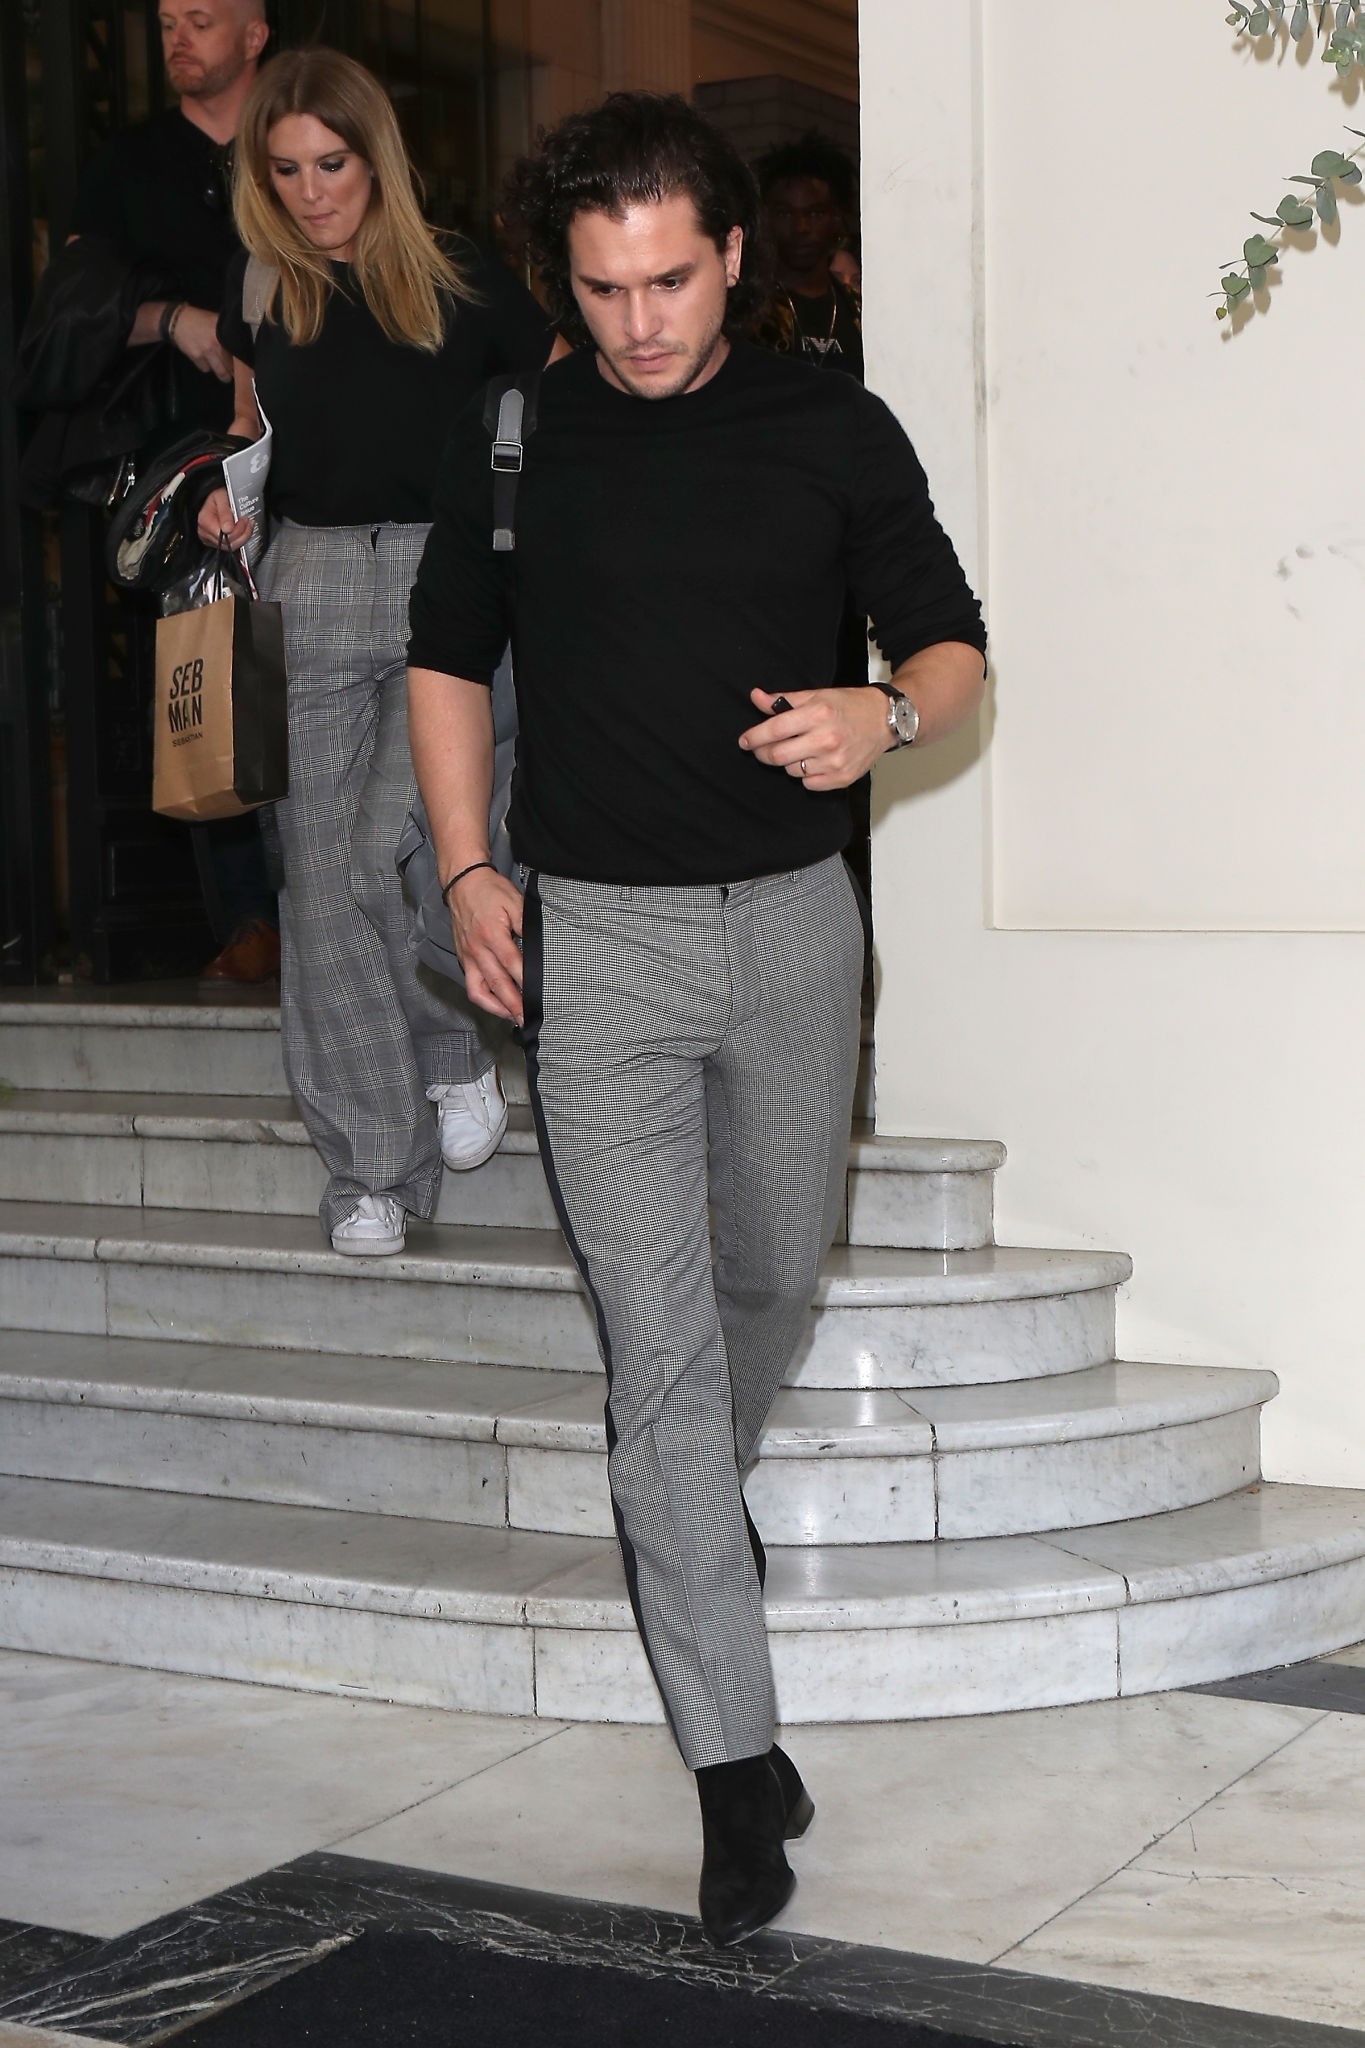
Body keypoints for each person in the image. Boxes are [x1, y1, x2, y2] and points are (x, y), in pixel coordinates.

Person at [406, 93, 987, 1945]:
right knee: (653, 1355)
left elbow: (953, 644)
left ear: (732, 255)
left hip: (799, 932)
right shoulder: (517, 435)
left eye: (668, 280)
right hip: (601, 949)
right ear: (562, 279)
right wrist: (467, 870)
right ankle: (736, 1773)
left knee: (769, 1282)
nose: (638, 322)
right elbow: (445, 659)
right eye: (602, 288)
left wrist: (887, 713)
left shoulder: (831, 426)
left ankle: (680, 1507)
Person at [196, 47, 563, 1254]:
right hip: (305, 578)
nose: (310, 193)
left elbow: (561, 390)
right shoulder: (265, 285)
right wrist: (230, 494)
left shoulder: (460, 274)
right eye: (285, 169)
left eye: (332, 164)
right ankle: (371, 1169)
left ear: (376, 158)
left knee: (385, 854)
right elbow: (249, 425)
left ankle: (451, 1044)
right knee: (316, 884)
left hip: (437, 584)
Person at [69, 0, 278, 983]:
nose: (178, 37)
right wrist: (174, 319)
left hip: (304, 445)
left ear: (255, 32)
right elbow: (70, 312)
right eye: (165, 21)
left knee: (307, 675)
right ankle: (248, 922)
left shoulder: (298, 140)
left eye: (202, 17)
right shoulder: (129, 164)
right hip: (181, 461)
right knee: (211, 674)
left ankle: (324, 911)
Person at [753, 130, 863, 381]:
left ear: (838, 218)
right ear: (765, 219)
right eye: (785, 214)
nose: (801, 227)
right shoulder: (747, 311)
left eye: (815, 214)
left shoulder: (860, 311)